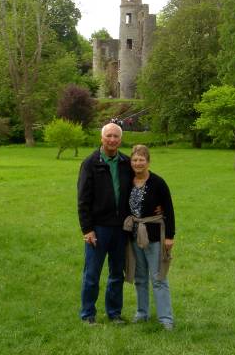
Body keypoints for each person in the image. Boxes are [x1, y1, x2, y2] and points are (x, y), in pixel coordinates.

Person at [77, 123, 133, 325]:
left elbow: (140, 187)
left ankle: (114, 313)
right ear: (102, 138)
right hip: (98, 228)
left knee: (117, 273)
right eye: (108, 136)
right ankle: (88, 314)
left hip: (120, 229)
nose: (112, 140)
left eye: (116, 136)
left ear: (120, 139)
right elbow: (83, 200)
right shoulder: (90, 163)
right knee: (92, 274)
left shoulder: (127, 163)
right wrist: (87, 229)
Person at [123, 144, 175, 330]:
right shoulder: (128, 181)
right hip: (134, 236)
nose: (138, 163)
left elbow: (168, 209)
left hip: (153, 236)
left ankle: (166, 319)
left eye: (141, 160)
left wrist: (169, 237)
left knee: (158, 277)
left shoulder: (158, 182)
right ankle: (142, 313)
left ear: (148, 161)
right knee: (140, 277)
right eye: (135, 160)